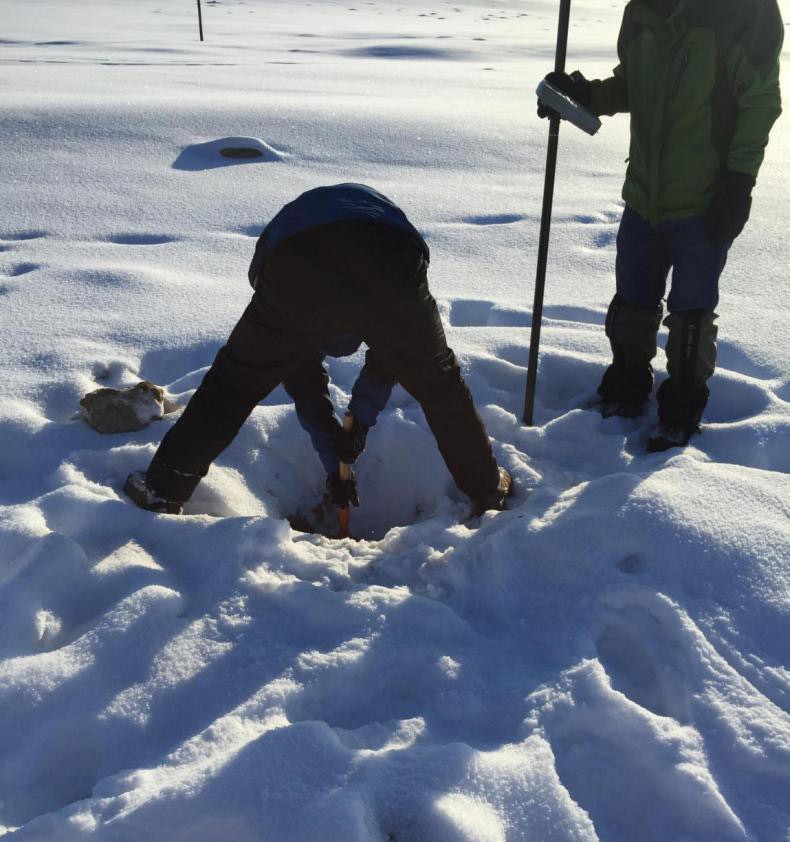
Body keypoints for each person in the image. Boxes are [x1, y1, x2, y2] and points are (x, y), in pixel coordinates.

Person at [124, 183, 511, 519]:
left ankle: (164, 489)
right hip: (388, 260)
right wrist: (339, 445)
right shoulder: (370, 314)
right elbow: (365, 367)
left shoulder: (291, 312)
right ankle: (486, 488)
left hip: (304, 261)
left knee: (233, 385)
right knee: (438, 382)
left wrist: (355, 426)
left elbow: (327, 372)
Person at [539, 0, 783, 451]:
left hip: (705, 200)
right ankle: (627, 388)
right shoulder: (642, 11)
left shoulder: (743, 11)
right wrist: (585, 96)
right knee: (633, 303)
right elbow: (633, 86)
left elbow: (761, 99)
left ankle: (681, 410)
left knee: (690, 316)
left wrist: (739, 179)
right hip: (643, 196)